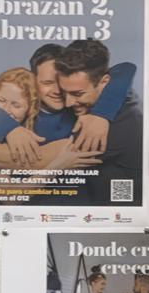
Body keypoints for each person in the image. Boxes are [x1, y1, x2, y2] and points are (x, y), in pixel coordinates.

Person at [0, 43, 138, 167]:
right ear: (33, 80)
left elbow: (125, 69)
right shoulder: (21, 104)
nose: (59, 92)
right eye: (48, 83)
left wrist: (101, 114)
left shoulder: (82, 109)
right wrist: (10, 128)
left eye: (62, 83)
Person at [0, 66, 99, 202]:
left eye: (16, 105)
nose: (6, 110)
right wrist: (59, 166)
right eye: (1, 101)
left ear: (30, 110)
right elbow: (10, 197)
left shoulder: (3, 138)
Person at [52, 38, 143, 205]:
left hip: (119, 213)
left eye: (78, 94)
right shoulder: (119, 94)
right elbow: (123, 68)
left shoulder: (122, 122)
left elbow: (31, 159)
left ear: (104, 82)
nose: (68, 103)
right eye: (64, 93)